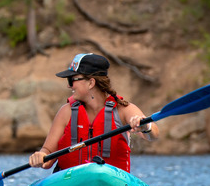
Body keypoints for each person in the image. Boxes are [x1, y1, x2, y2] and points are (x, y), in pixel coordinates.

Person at [28, 53, 158, 173]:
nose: (69, 86)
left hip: (112, 182)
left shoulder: (123, 110)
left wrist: (145, 126)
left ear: (91, 82)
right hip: (71, 183)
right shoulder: (66, 112)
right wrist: (41, 156)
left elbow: (154, 134)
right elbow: (48, 155)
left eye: (72, 80)